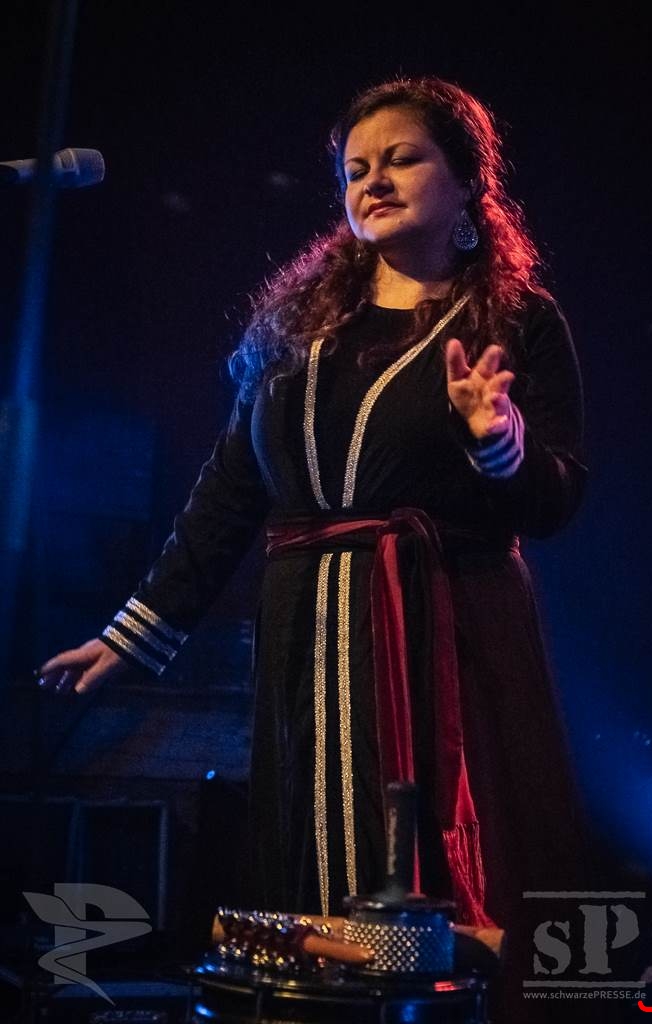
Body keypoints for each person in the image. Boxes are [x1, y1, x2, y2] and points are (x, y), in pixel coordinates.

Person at [38, 76, 592, 1014]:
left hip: (440, 630)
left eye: (402, 158)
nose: (373, 180)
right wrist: (133, 632)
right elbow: (229, 491)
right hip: (307, 628)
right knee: (310, 864)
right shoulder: (301, 330)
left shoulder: (515, 320)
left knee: (422, 867)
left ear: (466, 180)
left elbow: (557, 498)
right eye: (355, 169)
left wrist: (500, 447)